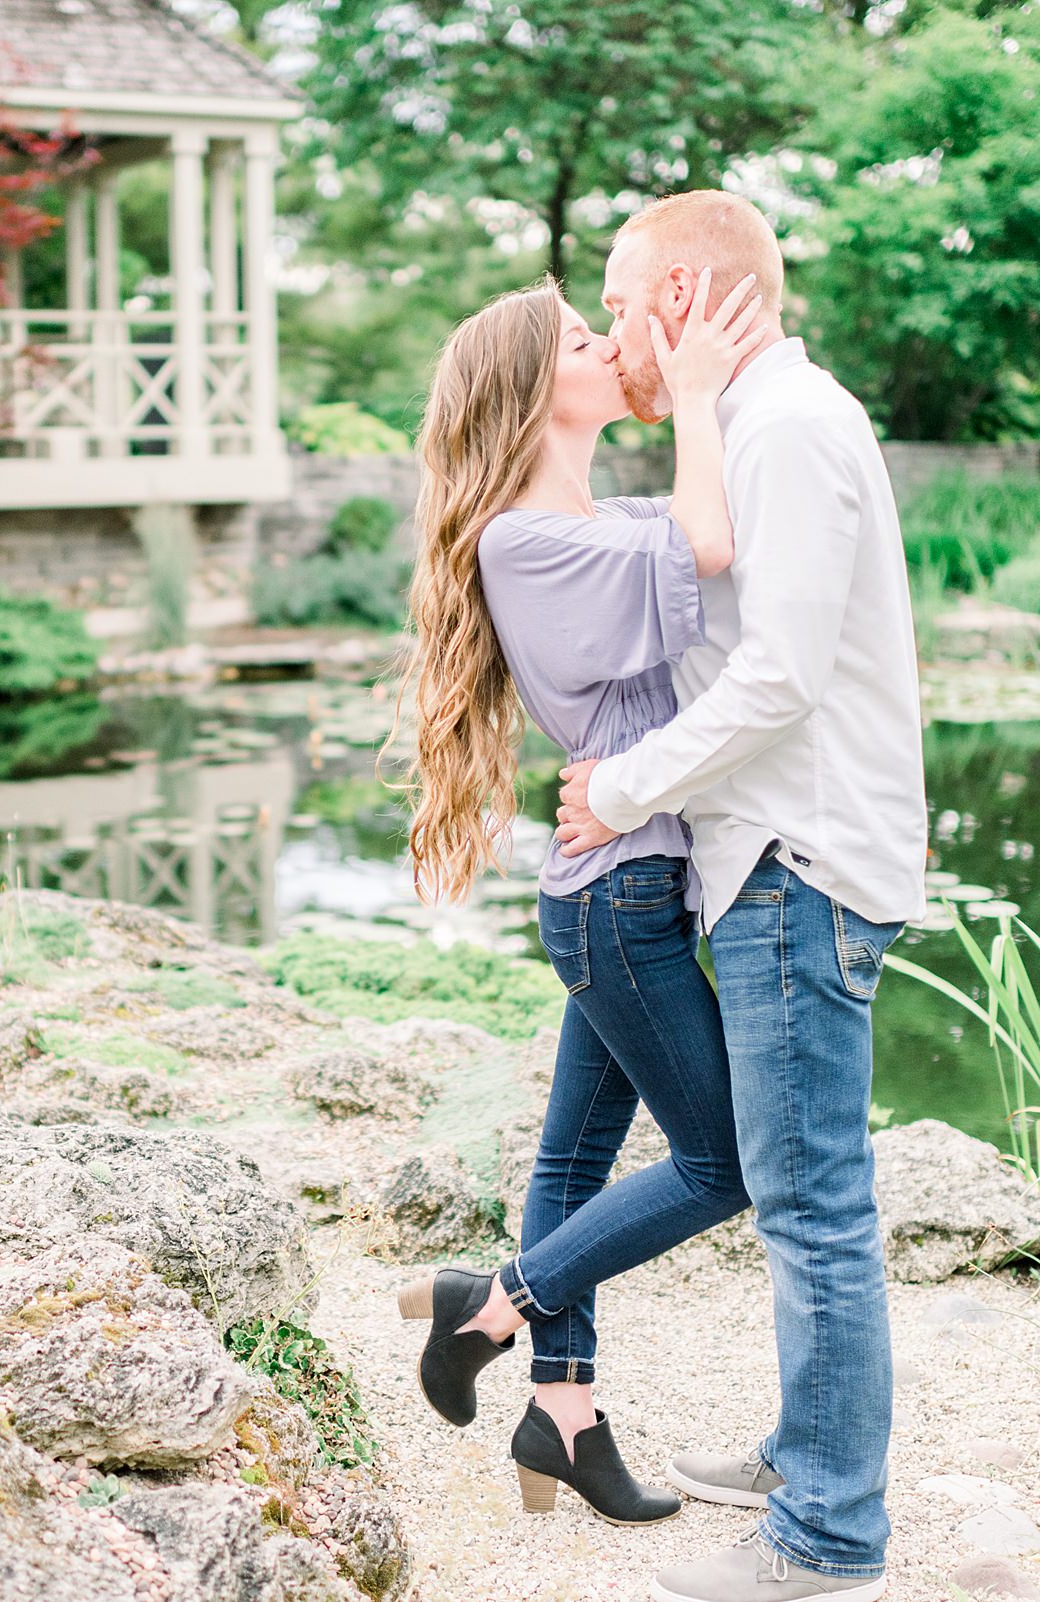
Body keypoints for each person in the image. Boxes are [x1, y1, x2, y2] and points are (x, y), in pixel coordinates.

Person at [555, 191, 928, 1602]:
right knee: (794, 1190)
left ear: (690, 291)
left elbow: (777, 676)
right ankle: (804, 1448)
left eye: (621, 293)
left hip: (798, 860)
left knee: (812, 1203)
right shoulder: (756, 422)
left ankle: (830, 1536)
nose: (617, 332)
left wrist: (623, 787)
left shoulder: (790, 427)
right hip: (778, 856)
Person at [387, 269, 766, 1526]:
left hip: (619, 884)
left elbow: (707, 525)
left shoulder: (592, 514)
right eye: (584, 337)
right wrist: (702, 389)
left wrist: (701, 381)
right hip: (620, 902)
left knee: (576, 1158)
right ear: (529, 391)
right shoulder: (527, 539)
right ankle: (490, 1308)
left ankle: (563, 1418)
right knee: (722, 1164)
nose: (611, 345)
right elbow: (709, 548)